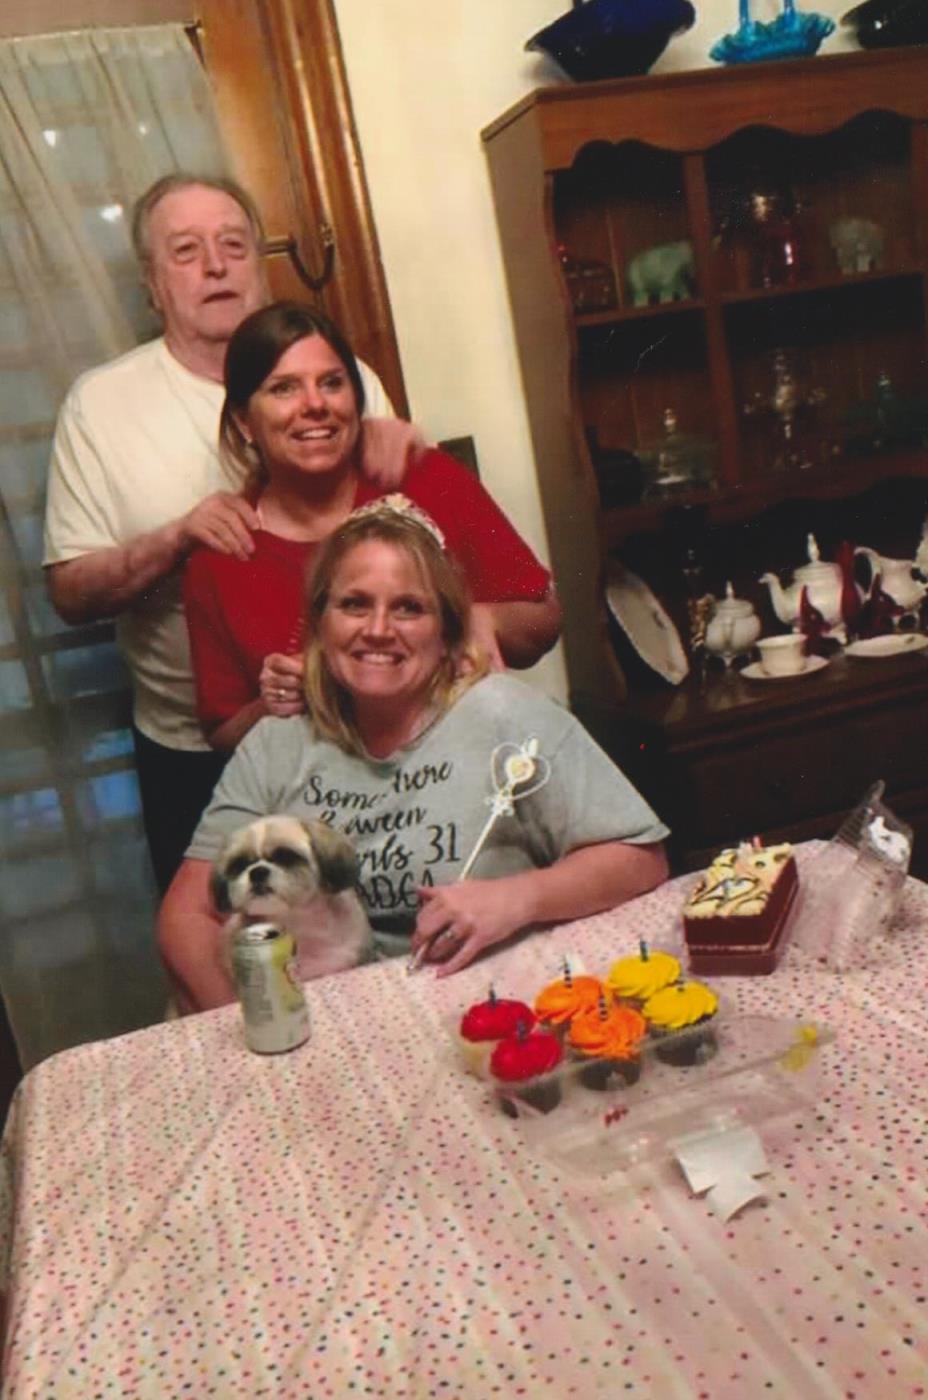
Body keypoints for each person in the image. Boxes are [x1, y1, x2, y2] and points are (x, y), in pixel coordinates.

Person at [42, 173, 421, 893]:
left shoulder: (344, 377)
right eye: (186, 251)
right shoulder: (100, 405)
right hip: (196, 749)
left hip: (365, 728)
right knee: (231, 936)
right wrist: (177, 540)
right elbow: (69, 593)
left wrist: (415, 459)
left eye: (233, 246)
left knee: (377, 913)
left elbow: (419, 538)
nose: (216, 266)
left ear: (260, 265)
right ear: (152, 284)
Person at [158, 503, 668, 1013]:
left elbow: (639, 859)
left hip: (494, 1005)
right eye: (354, 604)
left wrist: (517, 897)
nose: (379, 629)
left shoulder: (508, 717)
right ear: (319, 623)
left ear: (447, 633)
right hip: (329, 1020)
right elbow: (185, 917)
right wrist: (257, 1025)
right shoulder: (275, 742)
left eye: (408, 608)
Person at [183, 300, 563, 754]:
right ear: (245, 421)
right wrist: (274, 704)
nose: (315, 404)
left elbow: (545, 619)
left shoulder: (428, 479)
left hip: (469, 765)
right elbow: (223, 735)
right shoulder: (221, 557)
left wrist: (485, 620)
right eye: (284, 388)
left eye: (331, 383)